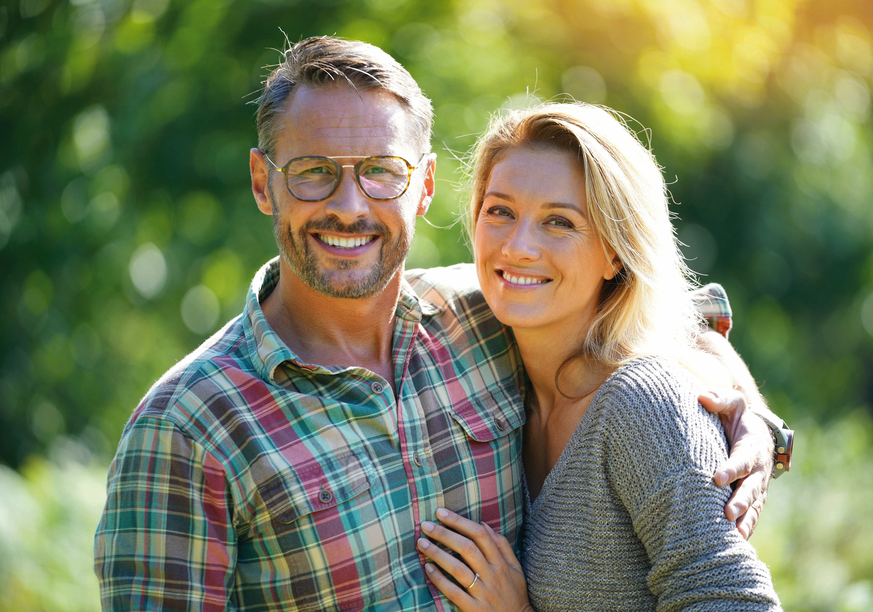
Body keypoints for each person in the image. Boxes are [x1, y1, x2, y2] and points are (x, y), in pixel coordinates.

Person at [94, 37, 785, 611]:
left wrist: (752, 418)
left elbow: (667, 315)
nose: (349, 205)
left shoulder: (485, 312)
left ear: (424, 186)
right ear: (261, 180)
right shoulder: (188, 427)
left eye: (380, 172)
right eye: (311, 172)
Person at [417, 102, 783, 610]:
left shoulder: (642, 405)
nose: (518, 247)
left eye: (559, 222)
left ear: (616, 251)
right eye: (500, 211)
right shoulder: (486, 349)